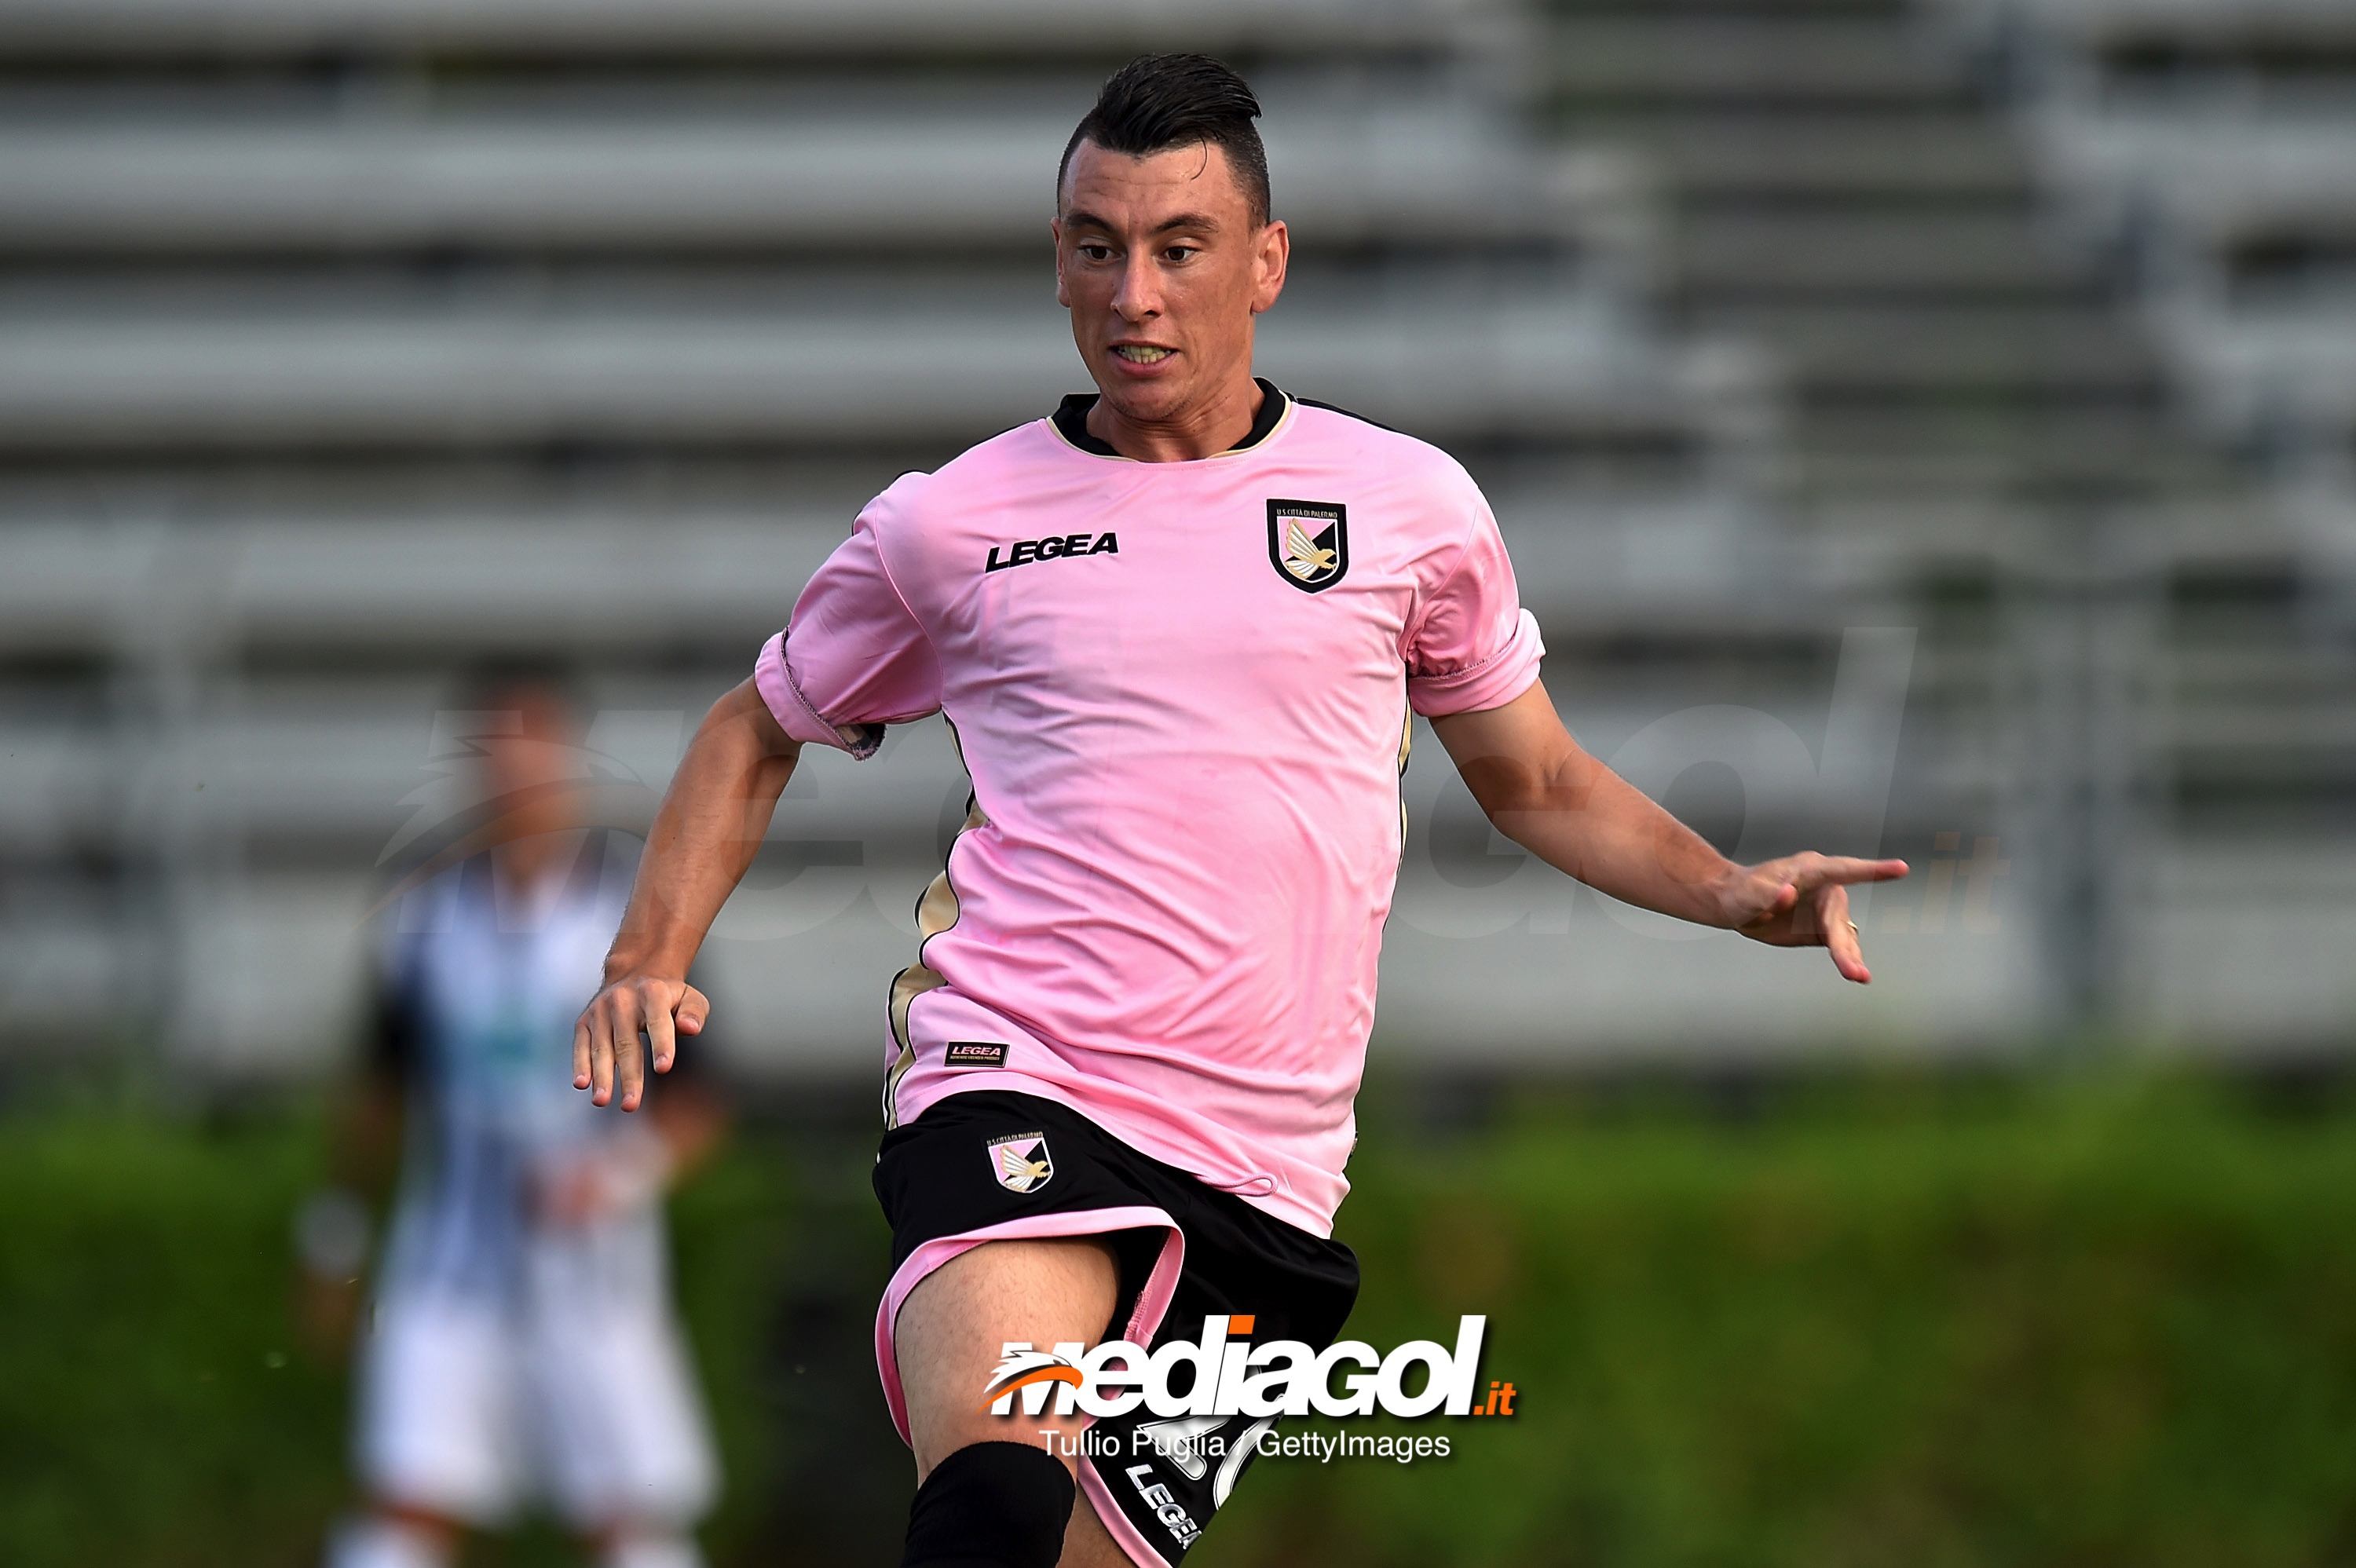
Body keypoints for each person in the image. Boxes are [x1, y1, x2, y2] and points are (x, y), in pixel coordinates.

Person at [573, 54, 1906, 1568]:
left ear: (1265, 263)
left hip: (1268, 1167)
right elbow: (758, 725)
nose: (1133, 291)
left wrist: (1735, 891)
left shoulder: (1404, 505)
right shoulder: (952, 525)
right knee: (994, 1497)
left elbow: (1534, 778)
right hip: (1016, 1076)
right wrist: (646, 955)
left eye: (1178, 248)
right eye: (1096, 246)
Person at [309, 666, 726, 1568]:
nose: (516, 782)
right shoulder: (420, 921)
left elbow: (701, 1102)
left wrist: (614, 1176)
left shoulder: (639, 923)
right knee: (402, 1504)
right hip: (449, 1260)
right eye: (496, 758)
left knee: (632, 1518)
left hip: (595, 1266)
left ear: (569, 763)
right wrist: (333, 1239)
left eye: (534, 755)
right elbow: (376, 1091)